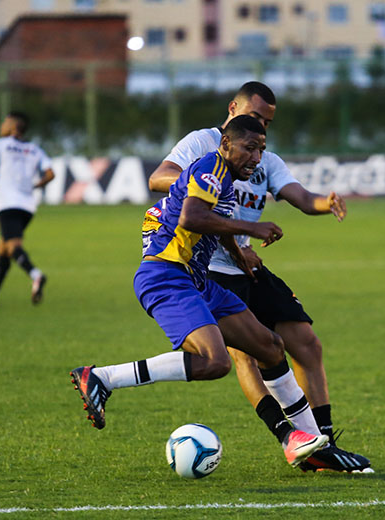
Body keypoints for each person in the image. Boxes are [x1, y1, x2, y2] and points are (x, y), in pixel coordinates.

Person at [69, 115, 330, 468]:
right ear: (225, 145)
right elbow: (191, 218)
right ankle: (102, 377)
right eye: (249, 148)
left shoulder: (225, 180)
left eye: (261, 150)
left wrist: (240, 256)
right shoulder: (212, 166)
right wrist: (252, 228)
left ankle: (311, 444)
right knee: (215, 362)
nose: (256, 158)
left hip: (196, 280)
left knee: (269, 346)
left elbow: (216, 225)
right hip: (166, 274)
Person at [148, 82, 372, 473]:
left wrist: (325, 202)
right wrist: (203, 182)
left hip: (248, 264)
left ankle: (323, 440)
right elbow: (159, 178)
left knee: (306, 343)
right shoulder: (203, 145)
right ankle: (291, 440)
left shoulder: (262, 157)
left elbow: (301, 198)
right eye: (253, 117)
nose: (259, 127)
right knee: (248, 355)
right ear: (232, 107)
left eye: (266, 123)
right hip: (209, 267)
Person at [0, 111, 54, 309]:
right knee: (3, 247)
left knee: (12, 246)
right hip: (28, 206)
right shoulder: (34, 149)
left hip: (7, 203)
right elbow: (51, 174)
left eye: (4, 122)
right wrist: (36, 185)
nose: (2, 125)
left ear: (12, 126)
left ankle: (36, 275)